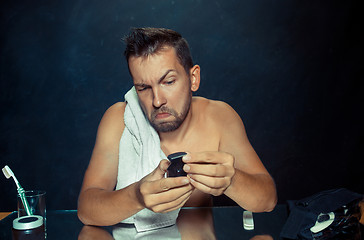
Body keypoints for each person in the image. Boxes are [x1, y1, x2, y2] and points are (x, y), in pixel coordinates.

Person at [77, 27, 277, 238]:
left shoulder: (219, 117)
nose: (157, 101)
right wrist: (137, 196)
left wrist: (231, 179)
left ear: (193, 78)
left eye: (169, 82)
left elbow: (267, 200)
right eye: (143, 88)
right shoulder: (119, 119)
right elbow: (86, 210)